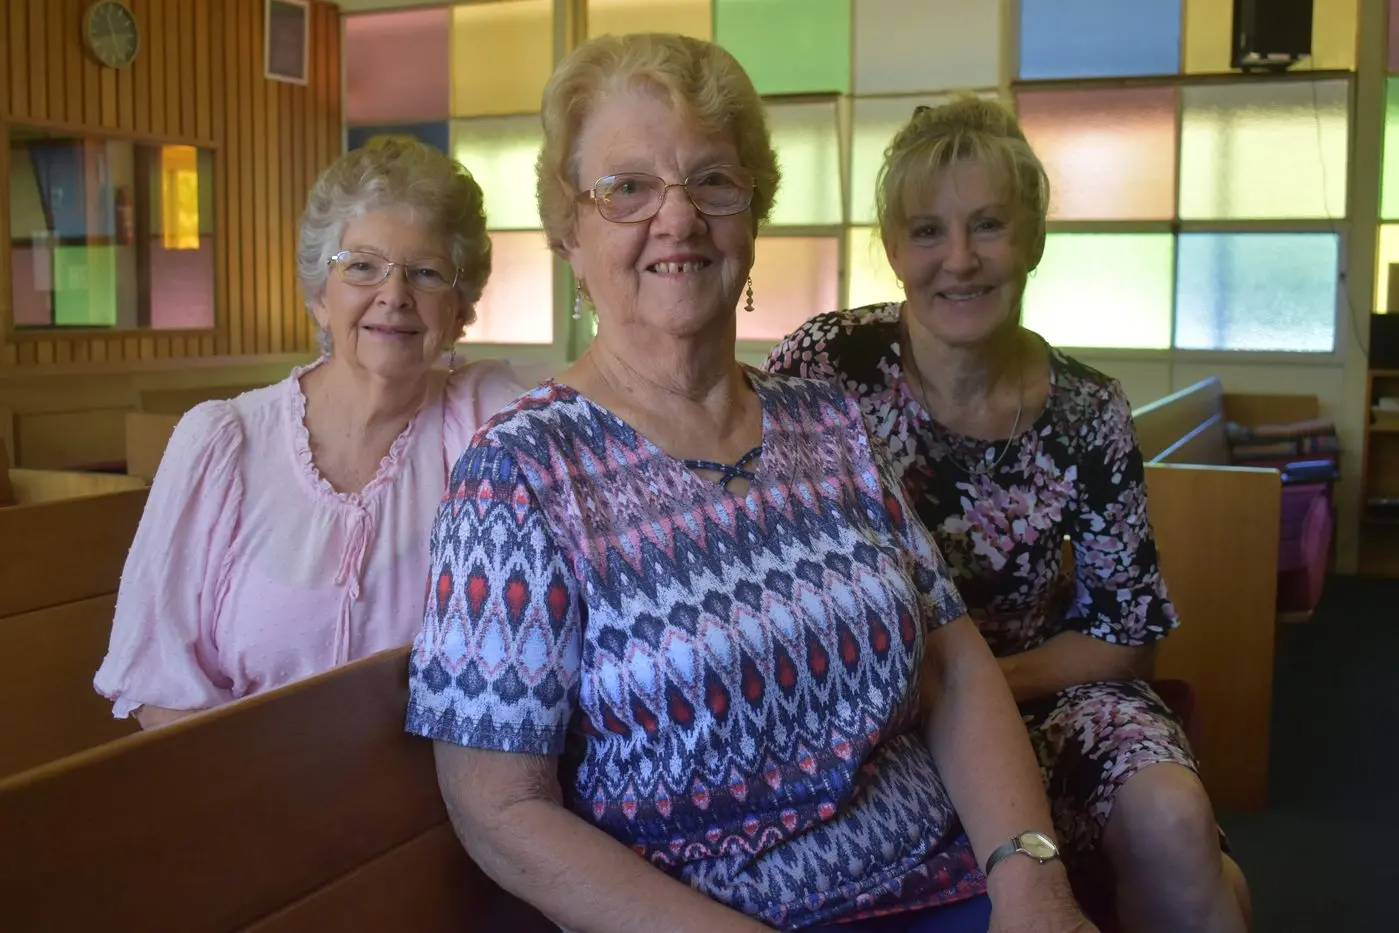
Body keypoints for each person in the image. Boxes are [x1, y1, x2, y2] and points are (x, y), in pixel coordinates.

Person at [407, 34, 1096, 933]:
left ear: (751, 214)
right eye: (627, 189)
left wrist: (1028, 877)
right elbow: (499, 812)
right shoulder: (519, 475)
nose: (678, 218)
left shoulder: (829, 423)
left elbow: (954, 669)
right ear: (568, 230)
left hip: (940, 885)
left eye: (712, 182)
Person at [764, 97, 1251, 933]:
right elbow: (750, 533)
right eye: (927, 231)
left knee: (1171, 817)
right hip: (868, 704)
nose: (959, 260)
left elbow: (1125, 631)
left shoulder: (1086, 408)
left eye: (987, 224)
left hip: (1038, 691)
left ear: (1030, 238)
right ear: (892, 248)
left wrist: (973, 684)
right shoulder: (823, 366)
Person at [95, 138, 524, 729]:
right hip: (245, 795)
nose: (393, 296)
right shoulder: (221, 443)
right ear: (320, 297)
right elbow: (157, 682)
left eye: (425, 273)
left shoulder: (482, 424)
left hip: (431, 804)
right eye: (362, 267)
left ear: (460, 311)